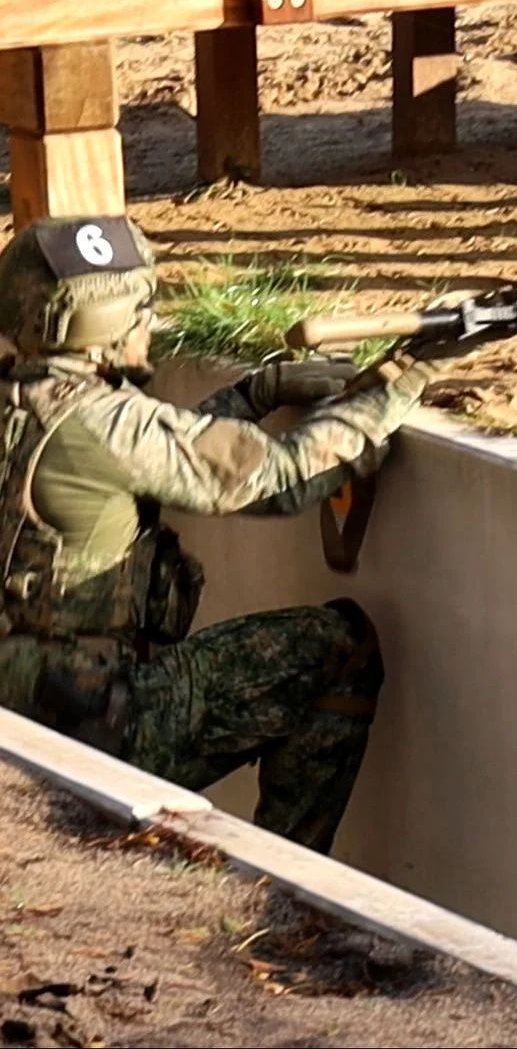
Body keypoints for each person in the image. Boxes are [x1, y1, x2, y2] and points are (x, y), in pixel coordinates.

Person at [0, 215, 446, 854]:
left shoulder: (31, 404)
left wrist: (256, 393)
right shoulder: (106, 422)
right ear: (101, 327)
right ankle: (290, 888)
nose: (150, 324)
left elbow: (151, 453)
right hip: (103, 725)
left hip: (20, 719)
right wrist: (403, 385)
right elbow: (281, 478)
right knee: (339, 646)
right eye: (142, 309)